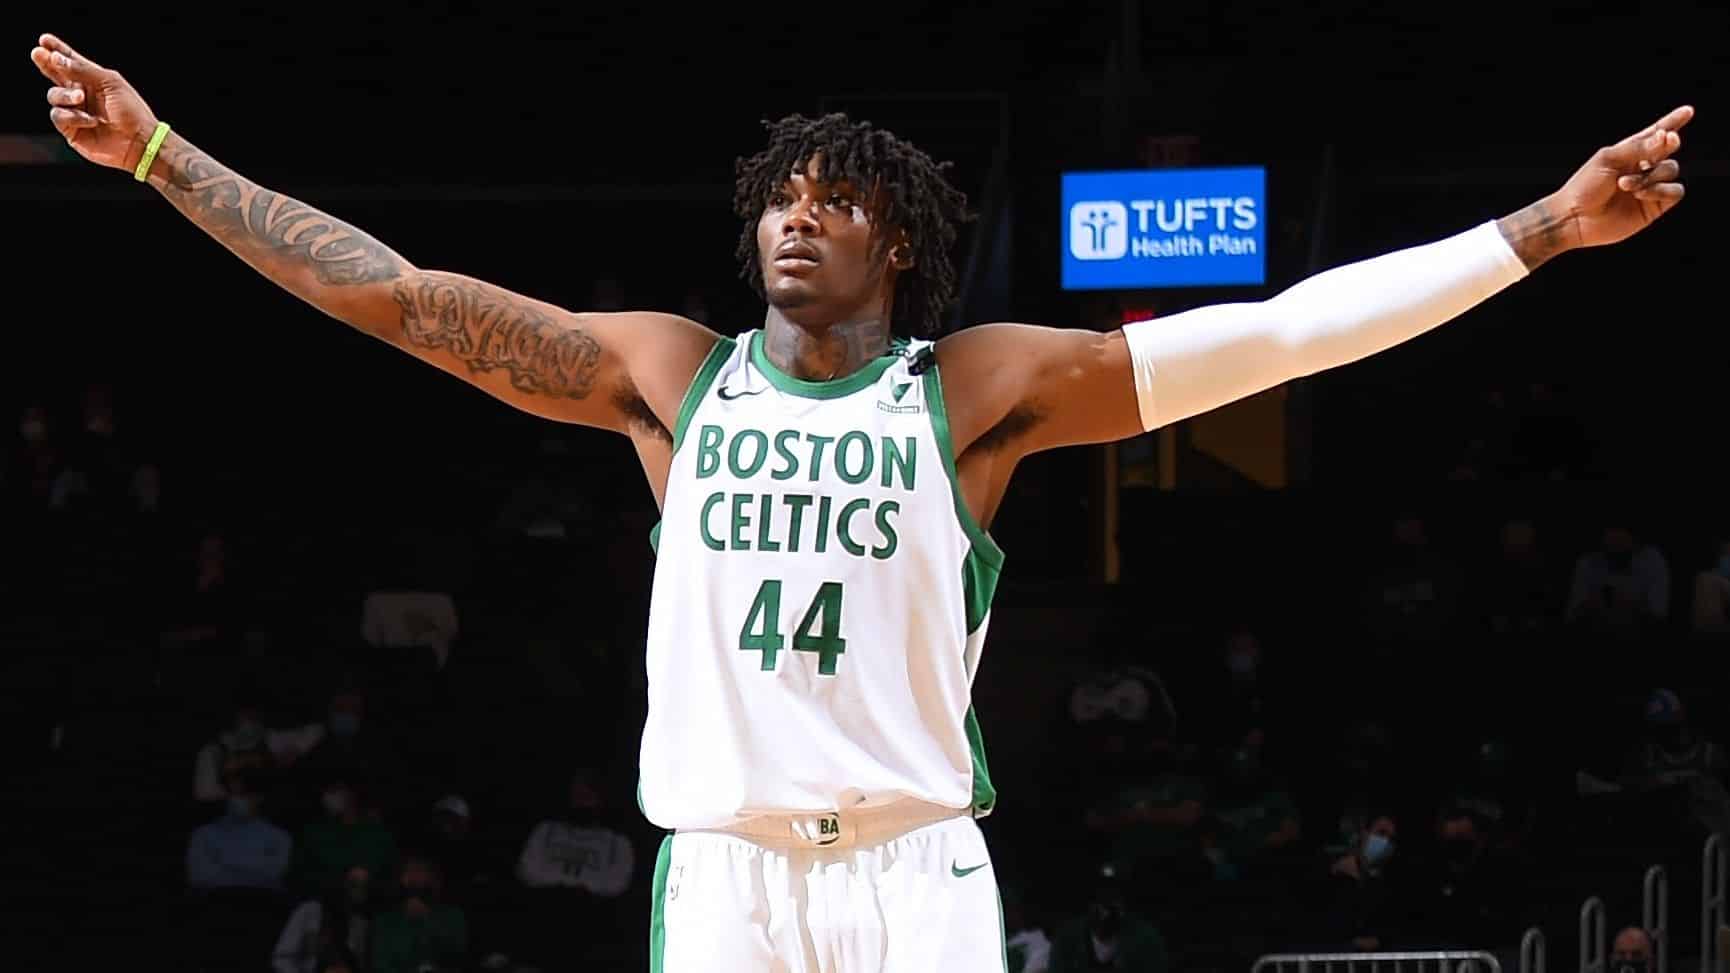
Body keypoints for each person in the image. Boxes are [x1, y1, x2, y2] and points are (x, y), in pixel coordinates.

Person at [29, 31, 1693, 972]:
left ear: (896, 240)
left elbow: (1273, 335)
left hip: (912, 869)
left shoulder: (970, 391)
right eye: (780, 198)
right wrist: (166, 157)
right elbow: (395, 297)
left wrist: (1537, 231)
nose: (794, 219)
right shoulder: (667, 375)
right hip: (724, 875)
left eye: (832, 201)